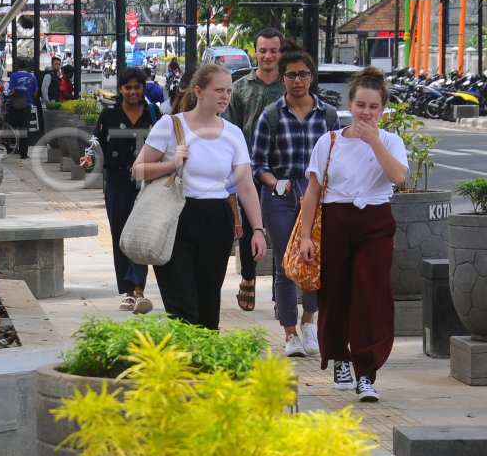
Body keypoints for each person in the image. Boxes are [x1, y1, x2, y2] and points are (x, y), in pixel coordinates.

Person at [296, 67, 408, 403]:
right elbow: (313, 192)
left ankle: (366, 372)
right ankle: (339, 357)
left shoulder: (390, 141)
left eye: (374, 107)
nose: (367, 113)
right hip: (336, 219)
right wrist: (304, 238)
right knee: (335, 294)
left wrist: (374, 141)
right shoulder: (329, 142)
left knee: (370, 293)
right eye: (361, 105)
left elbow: (398, 177)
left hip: (374, 221)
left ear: (383, 110)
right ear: (350, 104)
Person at [134, 63, 267, 330]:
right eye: (218, 90)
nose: (225, 96)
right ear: (198, 91)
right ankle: (183, 366)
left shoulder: (233, 133)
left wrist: (258, 229)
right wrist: (173, 163)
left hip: (217, 219)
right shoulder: (170, 125)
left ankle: (204, 368)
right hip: (175, 216)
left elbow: (246, 186)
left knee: (208, 304)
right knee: (182, 304)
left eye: (228, 91)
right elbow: (138, 170)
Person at [251, 50, 339, 358]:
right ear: (282, 78)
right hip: (280, 197)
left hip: (317, 196)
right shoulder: (271, 115)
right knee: (285, 264)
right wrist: (274, 182)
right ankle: (289, 333)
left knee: (313, 258)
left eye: (303, 74)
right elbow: (257, 163)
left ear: (311, 76)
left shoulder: (327, 115)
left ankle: (309, 322)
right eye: (290, 75)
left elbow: (337, 157)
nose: (297, 80)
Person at [81, 67, 157, 313]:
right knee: (121, 234)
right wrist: (89, 158)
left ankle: (139, 290)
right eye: (128, 87)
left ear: (143, 88)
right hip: (117, 181)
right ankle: (127, 291)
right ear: (121, 89)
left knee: (141, 234)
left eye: (137, 87)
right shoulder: (109, 114)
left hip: (147, 181)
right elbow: (95, 141)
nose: (133, 91)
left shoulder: (153, 113)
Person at [223, 27, 285, 312]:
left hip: (281, 169)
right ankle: (248, 278)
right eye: (263, 50)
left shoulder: (289, 85)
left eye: (274, 50)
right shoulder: (240, 87)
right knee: (249, 229)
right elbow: (229, 127)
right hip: (247, 168)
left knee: (282, 230)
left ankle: (279, 291)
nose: (268, 56)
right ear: (255, 52)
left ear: (280, 53)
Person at [6, 61, 37, 159]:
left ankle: (13, 151)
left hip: (15, 107)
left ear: (17, 66)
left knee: (12, 130)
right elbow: (35, 93)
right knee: (24, 130)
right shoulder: (32, 77)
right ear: (27, 67)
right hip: (27, 107)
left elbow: (12, 90)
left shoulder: (14, 76)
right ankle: (24, 154)